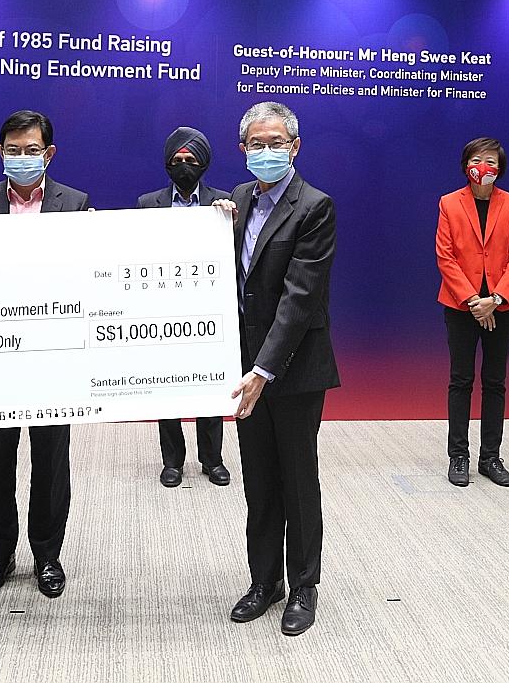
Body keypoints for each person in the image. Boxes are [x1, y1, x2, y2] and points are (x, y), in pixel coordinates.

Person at [0, 110, 91, 600]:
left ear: (49, 154)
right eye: (13, 151)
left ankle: (47, 554)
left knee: (51, 460)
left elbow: (89, 274)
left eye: (31, 151)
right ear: (0, 153)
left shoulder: (75, 204)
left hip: (53, 354)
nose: (22, 158)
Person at [224, 101, 338, 637]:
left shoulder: (314, 206)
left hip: (292, 369)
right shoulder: (239, 199)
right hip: (245, 368)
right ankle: (264, 580)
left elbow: (299, 299)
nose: (265, 151)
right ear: (242, 148)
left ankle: (303, 586)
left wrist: (264, 369)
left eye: (275, 143)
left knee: (297, 479)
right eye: (256, 144)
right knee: (259, 479)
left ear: (295, 147)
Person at [137, 126, 232, 489]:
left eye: (191, 159)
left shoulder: (224, 202)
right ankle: (172, 461)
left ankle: (212, 460)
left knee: (210, 385)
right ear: (167, 163)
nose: (184, 165)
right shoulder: (148, 203)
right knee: (168, 388)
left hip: (210, 310)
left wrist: (232, 220)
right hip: (164, 309)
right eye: (177, 159)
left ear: (203, 164)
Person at [434, 137, 509, 488]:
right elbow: (445, 257)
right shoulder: (449, 203)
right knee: (461, 380)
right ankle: (458, 455)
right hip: (461, 305)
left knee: (495, 381)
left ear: (499, 168)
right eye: (476, 160)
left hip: (503, 306)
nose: (483, 166)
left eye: (490, 161)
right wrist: (475, 301)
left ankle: (490, 457)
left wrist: (496, 299)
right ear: (465, 166)